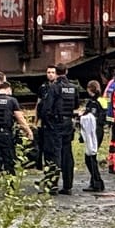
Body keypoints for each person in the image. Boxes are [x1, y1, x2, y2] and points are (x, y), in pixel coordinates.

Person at [37, 64, 80, 195]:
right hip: (68, 124)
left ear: (56, 73)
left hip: (54, 124)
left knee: (53, 154)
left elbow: (46, 108)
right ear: (66, 71)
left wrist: (45, 122)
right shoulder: (73, 88)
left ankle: (52, 185)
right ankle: (67, 185)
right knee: (67, 154)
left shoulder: (54, 88)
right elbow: (76, 105)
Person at [78, 80, 107, 194]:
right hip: (93, 131)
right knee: (90, 157)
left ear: (90, 89)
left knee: (90, 157)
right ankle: (95, 181)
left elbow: (104, 117)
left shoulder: (99, 101)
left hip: (96, 131)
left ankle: (97, 182)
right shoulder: (94, 101)